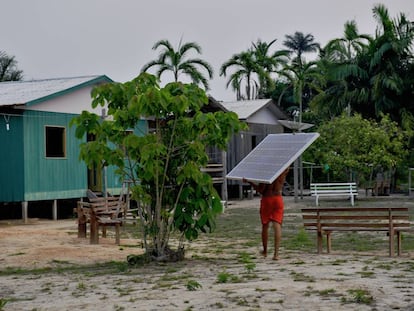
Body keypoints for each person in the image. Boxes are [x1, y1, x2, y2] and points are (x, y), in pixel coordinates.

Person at [243, 167, 290, 260]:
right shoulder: (283, 171)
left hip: (267, 199)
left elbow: (261, 190)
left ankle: (265, 251)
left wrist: (250, 182)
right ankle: (276, 254)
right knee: (277, 224)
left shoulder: (266, 172)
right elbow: (288, 167)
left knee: (265, 225)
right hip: (278, 198)